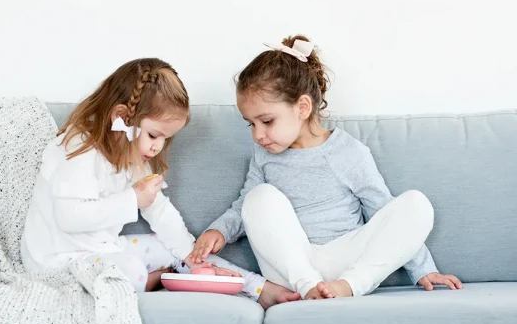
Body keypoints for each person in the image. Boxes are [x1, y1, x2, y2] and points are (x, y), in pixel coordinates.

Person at [190, 36, 462, 300]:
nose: (258, 135)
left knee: (417, 204)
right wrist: (219, 231)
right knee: (258, 197)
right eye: (251, 124)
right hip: (293, 268)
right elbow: (244, 210)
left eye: (267, 121)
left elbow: (383, 211)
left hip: (347, 262)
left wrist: (424, 269)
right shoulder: (263, 156)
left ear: (303, 107)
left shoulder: (347, 152)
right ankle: (310, 288)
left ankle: (349, 286)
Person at [21, 57, 298, 308]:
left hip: (102, 250)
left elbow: (160, 212)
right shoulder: (78, 147)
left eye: (165, 138)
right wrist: (132, 200)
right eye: (154, 135)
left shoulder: (131, 154)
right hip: (57, 263)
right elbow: (70, 217)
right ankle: (160, 277)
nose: (157, 148)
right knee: (128, 270)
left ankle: (255, 286)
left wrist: (191, 256)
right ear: (121, 118)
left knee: (177, 247)